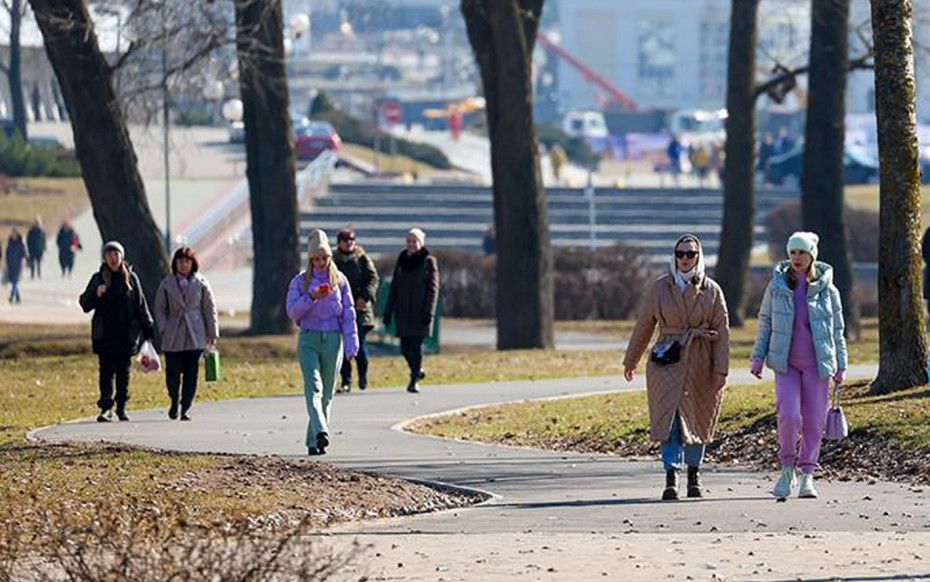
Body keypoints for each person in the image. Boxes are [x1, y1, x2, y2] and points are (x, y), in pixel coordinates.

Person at [623, 234, 729, 500]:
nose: (684, 259)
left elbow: (723, 332)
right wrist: (631, 360)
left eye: (690, 254)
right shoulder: (660, 288)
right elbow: (644, 325)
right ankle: (671, 477)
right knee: (668, 419)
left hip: (701, 361)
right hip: (666, 359)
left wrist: (720, 370)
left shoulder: (712, 290)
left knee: (698, 416)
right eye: (680, 253)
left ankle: (694, 475)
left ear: (698, 256)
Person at [751, 231, 847, 500]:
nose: (796, 257)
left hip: (819, 365)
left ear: (811, 255)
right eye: (792, 252)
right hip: (786, 364)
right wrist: (758, 357)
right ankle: (786, 468)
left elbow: (838, 330)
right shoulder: (777, 286)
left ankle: (807, 474)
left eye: (801, 252)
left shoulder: (828, 290)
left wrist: (841, 364)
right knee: (789, 415)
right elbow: (765, 322)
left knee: (814, 422)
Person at [286, 229, 359, 455]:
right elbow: (292, 311)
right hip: (309, 337)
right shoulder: (300, 282)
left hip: (333, 340)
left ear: (330, 257)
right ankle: (322, 430)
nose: (320, 263)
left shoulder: (340, 281)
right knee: (313, 386)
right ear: (310, 260)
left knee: (327, 392)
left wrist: (351, 344)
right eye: (315, 259)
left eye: (324, 258)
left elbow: (348, 313)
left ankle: (314, 440)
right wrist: (311, 297)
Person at [79, 241, 155, 422]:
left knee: (123, 373)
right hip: (104, 334)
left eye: (116, 254)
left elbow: (140, 305)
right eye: (109, 255)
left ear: (122, 257)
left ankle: (121, 407)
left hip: (126, 335)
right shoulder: (98, 278)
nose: (113, 258)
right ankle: (106, 408)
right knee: (105, 373)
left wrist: (148, 328)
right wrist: (95, 294)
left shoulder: (131, 279)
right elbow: (84, 304)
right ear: (104, 258)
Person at [154, 246, 219, 421]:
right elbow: (159, 309)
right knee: (172, 373)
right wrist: (164, 327)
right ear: (175, 263)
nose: (183, 265)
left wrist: (212, 332)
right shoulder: (166, 284)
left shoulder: (201, 282)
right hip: (173, 332)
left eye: (187, 261)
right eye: (180, 261)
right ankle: (174, 399)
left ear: (193, 263)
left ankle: (186, 407)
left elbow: (209, 308)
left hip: (195, 332)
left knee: (191, 373)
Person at [383, 228, 440, 394]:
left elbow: (433, 288)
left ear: (421, 243)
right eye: (409, 241)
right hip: (403, 312)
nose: (411, 244)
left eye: (414, 241)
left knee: (416, 346)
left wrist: (429, 310)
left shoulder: (428, 261)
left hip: (419, 311)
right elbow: (394, 287)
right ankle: (417, 370)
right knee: (404, 348)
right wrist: (388, 310)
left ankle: (414, 379)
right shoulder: (402, 260)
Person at [333, 228, 378, 393]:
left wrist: (364, 297)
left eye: (351, 239)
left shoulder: (362, 258)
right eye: (345, 239)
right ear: (339, 243)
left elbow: (373, 279)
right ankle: (346, 381)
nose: (349, 242)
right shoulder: (333, 260)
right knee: (343, 347)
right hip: (341, 310)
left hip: (360, 311)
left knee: (359, 345)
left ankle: (363, 376)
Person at [5, 229, 27, 304]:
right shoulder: (10, 244)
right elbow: (7, 254)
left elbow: (24, 254)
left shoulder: (20, 245)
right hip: (11, 265)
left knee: (15, 281)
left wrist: (23, 261)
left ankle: (12, 296)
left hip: (18, 265)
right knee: (13, 282)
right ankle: (17, 297)